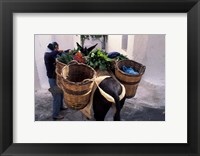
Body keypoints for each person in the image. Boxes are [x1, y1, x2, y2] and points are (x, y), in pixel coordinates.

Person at [44, 42, 67, 120]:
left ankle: (61, 107)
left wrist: (66, 51)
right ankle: (55, 115)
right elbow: (52, 55)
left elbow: (59, 55)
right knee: (56, 96)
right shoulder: (47, 55)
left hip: (57, 78)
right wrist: (58, 51)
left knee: (61, 93)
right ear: (52, 49)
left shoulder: (52, 54)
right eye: (55, 48)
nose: (57, 49)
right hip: (52, 79)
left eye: (57, 48)